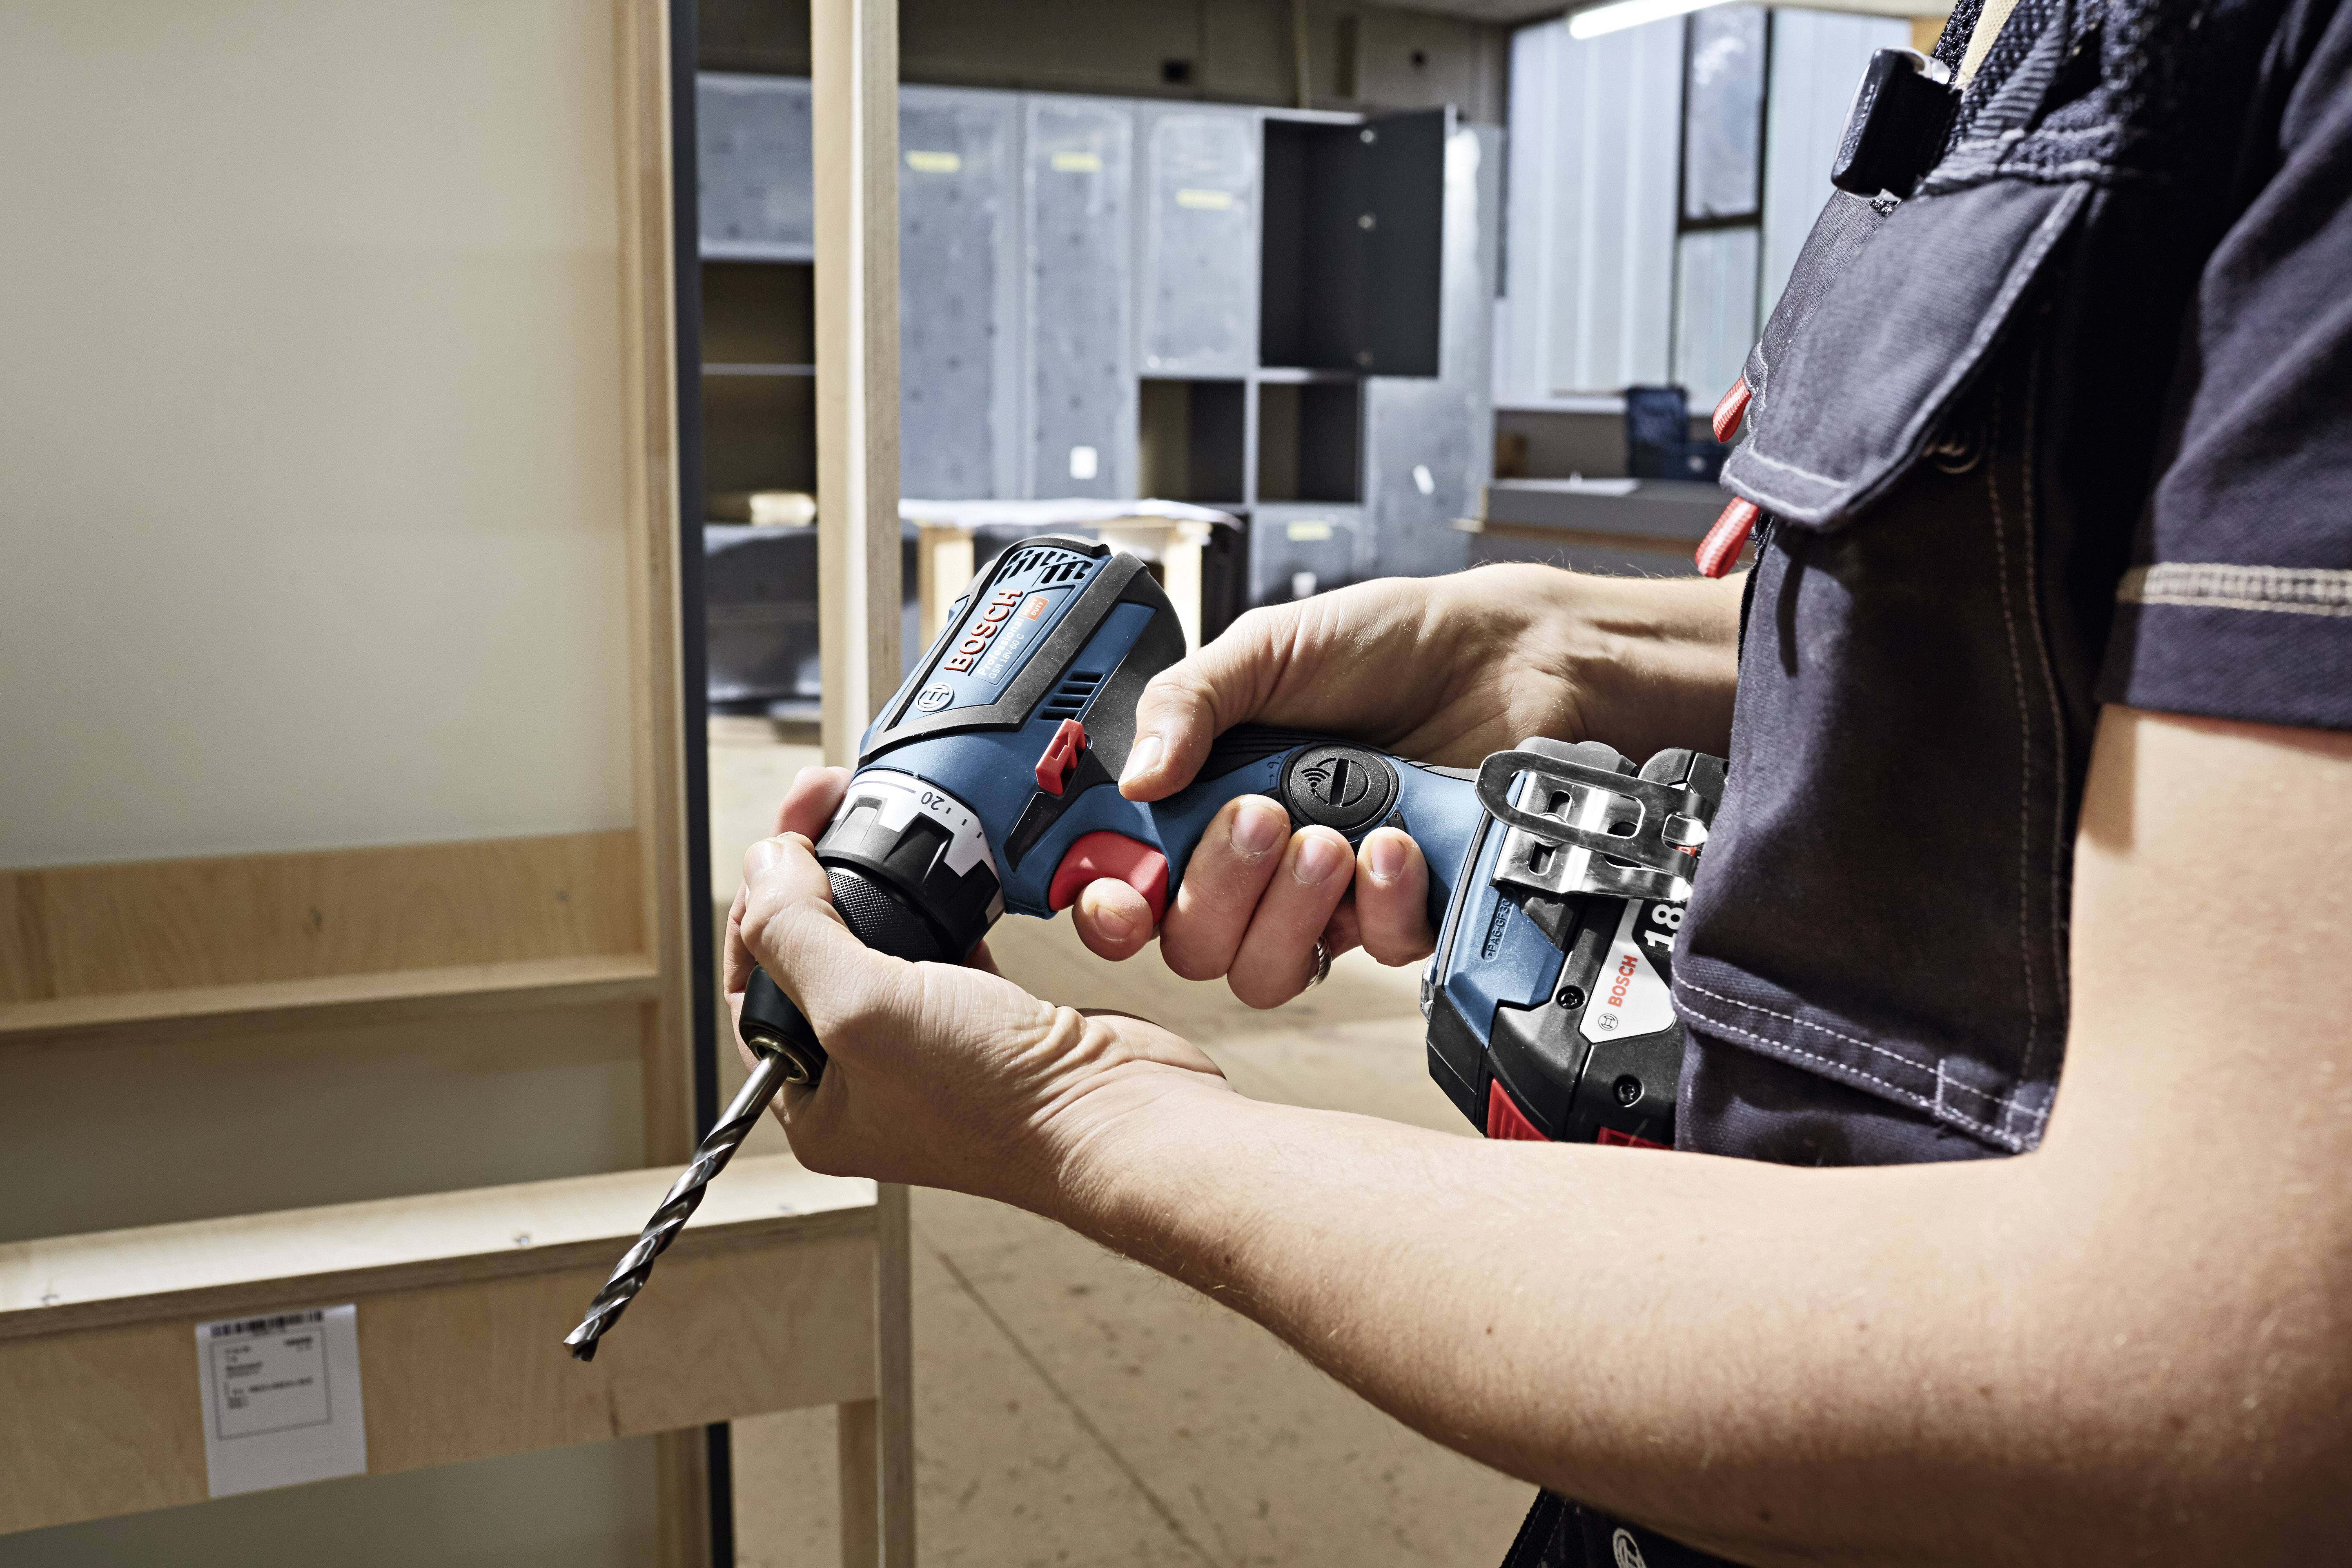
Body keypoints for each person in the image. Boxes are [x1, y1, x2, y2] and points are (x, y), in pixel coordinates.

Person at [726, 0, 2352, 1558]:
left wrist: (1084, 1116)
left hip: (1875, 1469)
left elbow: (2209, 1384)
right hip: (1689, 1438)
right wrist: (1553, 641)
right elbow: (2051, 641)